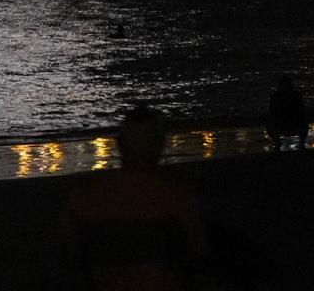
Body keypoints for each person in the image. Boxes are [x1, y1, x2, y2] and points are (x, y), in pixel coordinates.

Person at [61, 104, 207, 290]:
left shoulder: (84, 198)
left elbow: (70, 256)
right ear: (160, 145)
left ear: (119, 145)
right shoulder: (178, 199)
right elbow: (198, 253)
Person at [266, 75, 308, 151]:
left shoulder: (275, 96)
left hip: (280, 125)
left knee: (268, 122)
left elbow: (271, 112)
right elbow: (302, 111)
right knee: (304, 120)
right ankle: (301, 144)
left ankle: (277, 143)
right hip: (296, 124)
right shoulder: (297, 95)